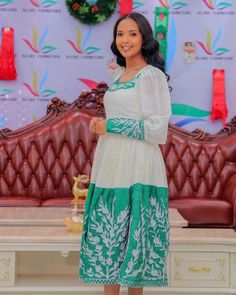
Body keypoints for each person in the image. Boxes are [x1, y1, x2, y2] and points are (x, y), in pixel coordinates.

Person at [79, 12, 172, 295]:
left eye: (132, 33)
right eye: (120, 34)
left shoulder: (151, 76)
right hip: (112, 160)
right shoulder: (120, 76)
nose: (125, 40)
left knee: (136, 236)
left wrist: (111, 124)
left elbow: (157, 129)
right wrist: (103, 125)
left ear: (144, 38)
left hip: (139, 162)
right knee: (110, 238)